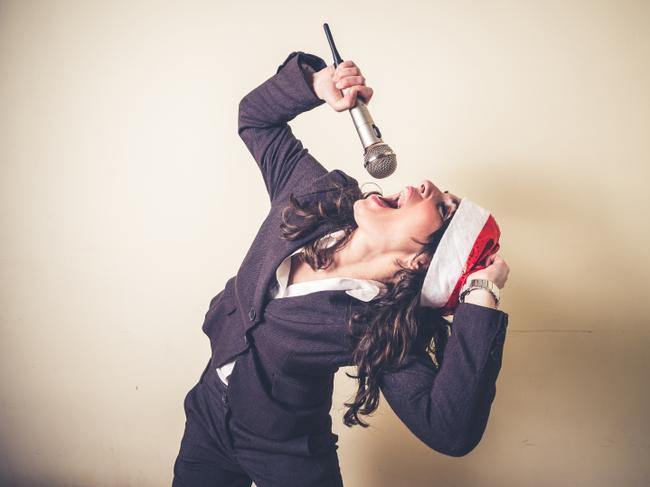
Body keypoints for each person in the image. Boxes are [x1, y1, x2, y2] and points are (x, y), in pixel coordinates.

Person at [171, 50, 510, 487]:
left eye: (443, 207)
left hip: (288, 454)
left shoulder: (379, 326)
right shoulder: (318, 195)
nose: (427, 185)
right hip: (208, 417)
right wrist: (317, 86)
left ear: (422, 262)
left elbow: (450, 429)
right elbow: (255, 120)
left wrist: (482, 294)